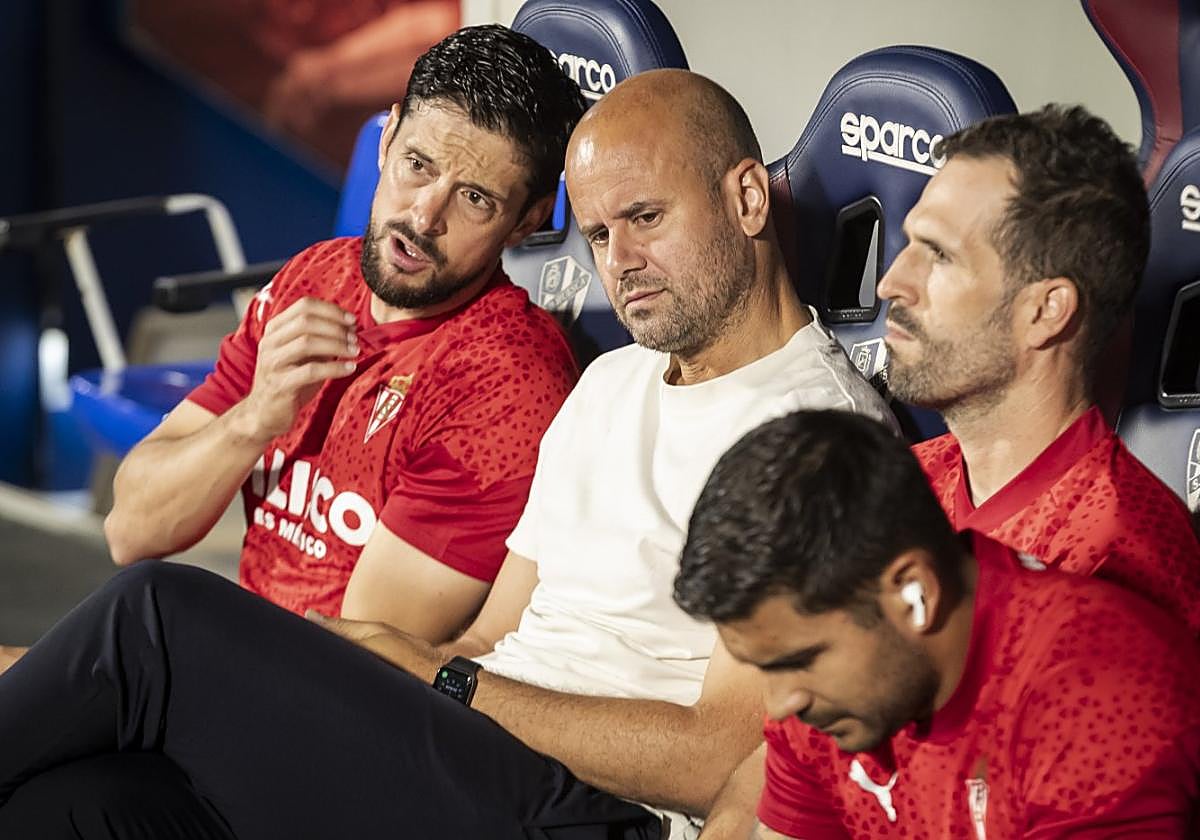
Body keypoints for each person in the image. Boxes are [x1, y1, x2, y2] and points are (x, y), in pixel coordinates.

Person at [0, 69, 893, 839]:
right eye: (598, 235)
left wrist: (433, 675)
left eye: (647, 218)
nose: (621, 261)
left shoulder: (818, 438)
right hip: (465, 755)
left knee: (156, 617)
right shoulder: (615, 381)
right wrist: (370, 676)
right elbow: (493, 633)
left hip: (586, 810)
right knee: (84, 801)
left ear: (746, 200)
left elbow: (720, 756)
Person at [100, 25, 585, 641]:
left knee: (135, 617)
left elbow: (357, 661)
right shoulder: (316, 275)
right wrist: (255, 418)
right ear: (387, 138)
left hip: (315, 703)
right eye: (417, 165)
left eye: (474, 199)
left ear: (528, 221)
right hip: (237, 659)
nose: (422, 216)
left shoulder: (504, 382)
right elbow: (131, 529)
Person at [674, 409, 1200, 839]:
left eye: (800, 662)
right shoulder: (824, 692)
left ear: (914, 595)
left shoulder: (1098, 699)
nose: (782, 701)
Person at [877, 105, 1200, 630]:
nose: (891, 283)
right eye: (909, 243)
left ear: (1046, 312)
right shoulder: (901, 485)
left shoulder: (1116, 567)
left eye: (938, 255)